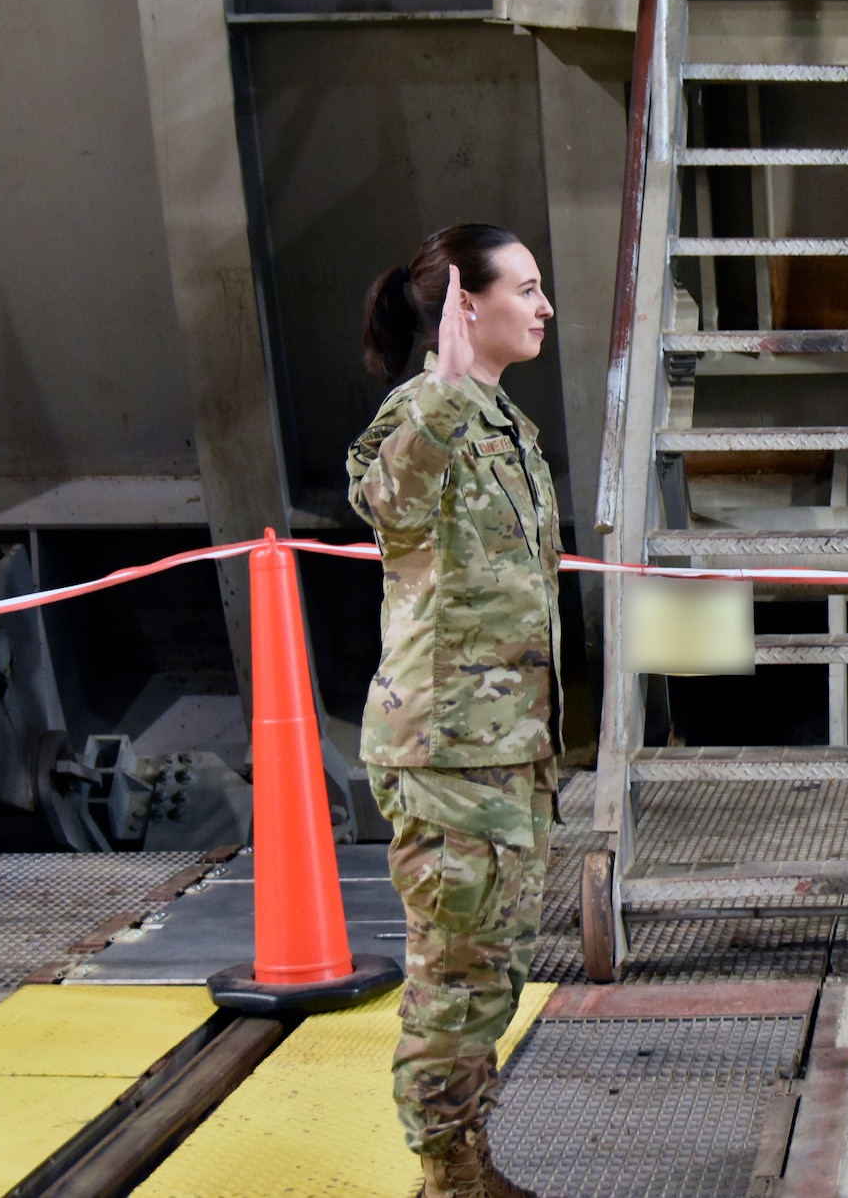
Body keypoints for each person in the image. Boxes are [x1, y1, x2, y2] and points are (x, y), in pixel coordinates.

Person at [349, 224, 564, 1198]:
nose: (543, 304)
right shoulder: (425, 414)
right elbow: (384, 499)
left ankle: (467, 1160)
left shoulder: (503, 424)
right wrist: (438, 389)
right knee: (452, 975)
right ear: (464, 306)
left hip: (507, 747)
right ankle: (442, 1173)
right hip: (444, 753)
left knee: (495, 968)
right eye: (523, 287)